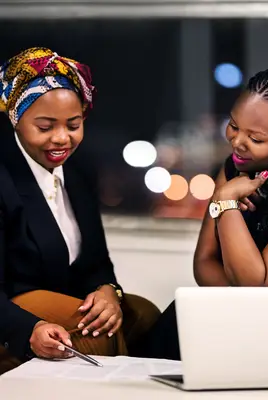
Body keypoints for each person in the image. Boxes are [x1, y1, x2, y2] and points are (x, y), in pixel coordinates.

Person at [0, 47, 160, 374]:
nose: (62, 139)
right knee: (101, 334)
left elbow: (96, 261)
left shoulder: (79, 171)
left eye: (73, 124)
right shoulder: (3, 177)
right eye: (45, 127)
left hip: (61, 301)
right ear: (16, 119)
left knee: (145, 315)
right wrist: (26, 329)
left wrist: (107, 292)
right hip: (13, 310)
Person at [134, 67, 268, 360]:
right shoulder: (235, 166)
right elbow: (204, 263)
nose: (237, 142)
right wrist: (228, 198)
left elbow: (260, 290)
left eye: (256, 138)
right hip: (237, 315)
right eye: (234, 126)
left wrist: (225, 202)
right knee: (172, 332)